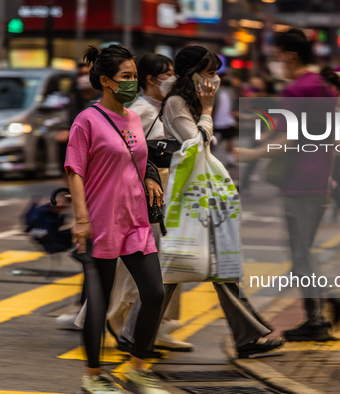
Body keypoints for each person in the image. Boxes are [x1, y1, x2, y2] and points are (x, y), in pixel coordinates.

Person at [160, 44, 283, 358]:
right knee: (175, 268)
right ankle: (135, 333)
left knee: (216, 266)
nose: (215, 80)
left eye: (217, 73)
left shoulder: (188, 100)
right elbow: (198, 141)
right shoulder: (175, 102)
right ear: (193, 74)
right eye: (210, 72)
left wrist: (206, 109)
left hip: (203, 192)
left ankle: (246, 336)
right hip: (188, 196)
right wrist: (209, 109)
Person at [65, 44, 168, 394]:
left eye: (135, 77)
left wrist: (151, 176)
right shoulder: (87, 120)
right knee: (100, 300)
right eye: (126, 77)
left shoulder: (135, 118)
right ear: (106, 81)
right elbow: (75, 171)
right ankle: (93, 376)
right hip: (100, 221)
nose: (133, 83)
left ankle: (138, 368)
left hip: (136, 220)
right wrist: (81, 219)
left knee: (155, 293)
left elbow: (138, 157)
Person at [238, 29, 340, 341]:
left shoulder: (298, 89)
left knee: (300, 254)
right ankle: (320, 313)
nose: (275, 62)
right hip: (318, 177)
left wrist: (250, 154)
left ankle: (323, 311)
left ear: (291, 55)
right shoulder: (323, 87)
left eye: (277, 55)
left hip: (300, 180)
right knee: (303, 251)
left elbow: (288, 138)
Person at [106, 53, 193, 353]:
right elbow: (126, 154)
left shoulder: (169, 108)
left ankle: (160, 324)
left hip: (172, 192)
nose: (173, 78)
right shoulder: (141, 110)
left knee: (169, 262)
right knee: (148, 263)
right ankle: (124, 322)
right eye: (167, 73)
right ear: (151, 79)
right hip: (148, 195)